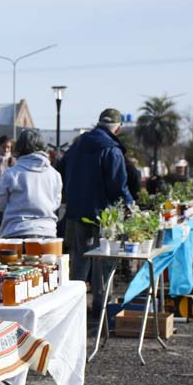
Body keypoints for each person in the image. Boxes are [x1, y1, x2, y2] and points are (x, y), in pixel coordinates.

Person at [57, 108, 133, 314]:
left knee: (79, 261)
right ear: (117, 128)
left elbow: (60, 170)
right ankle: (101, 307)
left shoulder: (76, 146)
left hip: (75, 212)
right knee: (104, 261)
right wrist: (130, 206)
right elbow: (118, 187)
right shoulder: (112, 150)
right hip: (104, 216)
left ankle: (73, 308)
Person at [0, 129, 63, 238]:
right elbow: (56, 203)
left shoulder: (12, 173)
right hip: (47, 233)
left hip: (16, 232)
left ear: (19, 148)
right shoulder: (54, 174)